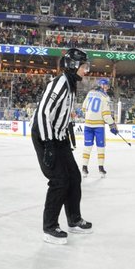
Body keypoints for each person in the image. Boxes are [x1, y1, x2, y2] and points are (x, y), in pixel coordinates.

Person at [32, 48, 93, 244]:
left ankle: (74, 220)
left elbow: (61, 113)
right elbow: (43, 113)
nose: (86, 70)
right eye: (84, 66)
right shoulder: (60, 83)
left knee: (74, 177)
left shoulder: (71, 84)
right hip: (45, 137)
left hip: (59, 138)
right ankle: (49, 228)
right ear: (73, 66)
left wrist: (66, 130)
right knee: (59, 181)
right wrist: (48, 144)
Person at [81, 77, 118, 177]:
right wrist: (112, 125)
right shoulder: (105, 97)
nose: (107, 87)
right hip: (98, 126)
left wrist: (90, 115)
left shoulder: (90, 93)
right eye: (106, 85)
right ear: (102, 85)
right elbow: (106, 115)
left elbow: (83, 108)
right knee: (100, 147)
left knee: (87, 147)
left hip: (88, 124)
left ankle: (84, 167)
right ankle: (101, 168)